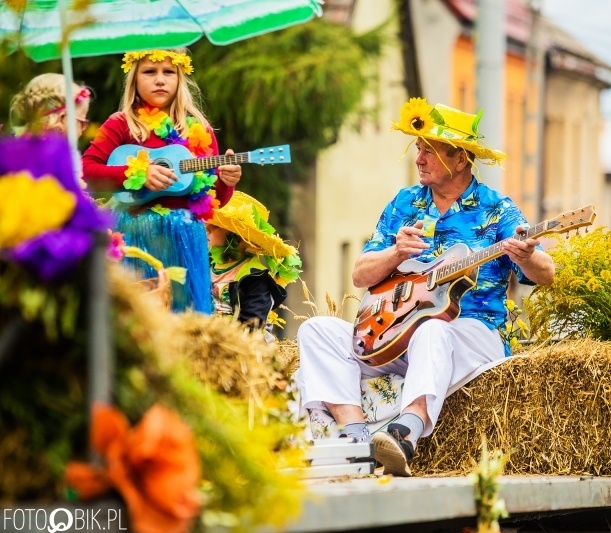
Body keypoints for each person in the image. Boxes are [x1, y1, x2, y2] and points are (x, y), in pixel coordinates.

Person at [295, 98, 555, 476]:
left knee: (433, 328)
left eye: (429, 151)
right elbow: (360, 275)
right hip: (397, 334)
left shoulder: (497, 208)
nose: (418, 159)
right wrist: (395, 253)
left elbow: (545, 273)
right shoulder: (404, 203)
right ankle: (355, 439)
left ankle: (405, 433)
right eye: (418, 149)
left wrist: (526, 255)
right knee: (316, 330)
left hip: (470, 333)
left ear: (460, 159)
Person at [82, 49, 241, 313]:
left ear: (180, 78)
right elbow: (87, 171)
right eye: (149, 72)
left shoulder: (199, 130)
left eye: (168, 72)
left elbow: (214, 201)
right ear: (134, 79)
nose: (160, 80)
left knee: (186, 319)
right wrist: (137, 174)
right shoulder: (121, 124)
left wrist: (227, 181)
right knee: (138, 317)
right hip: (136, 234)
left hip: (186, 238)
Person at [205, 191, 301, 341]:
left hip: (240, 344)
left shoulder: (255, 277)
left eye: (214, 227)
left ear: (237, 237)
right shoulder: (207, 265)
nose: (206, 229)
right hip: (206, 338)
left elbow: (253, 324)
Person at [9, 73, 92, 137]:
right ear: (62, 118)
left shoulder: (12, 144)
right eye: (82, 123)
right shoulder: (57, 153)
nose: (83, 130)